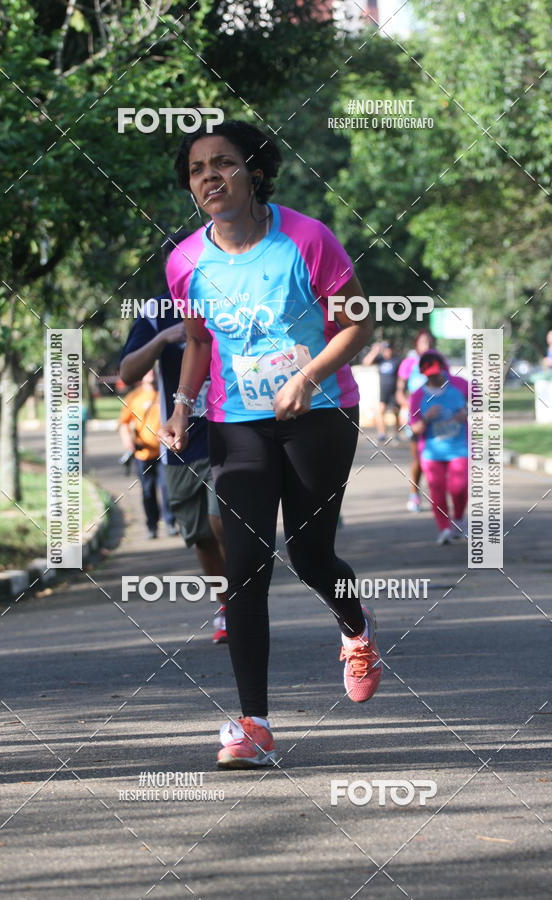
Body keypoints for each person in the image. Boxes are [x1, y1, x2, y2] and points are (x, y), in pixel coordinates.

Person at [159, 119, 382, 769]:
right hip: (238, 424)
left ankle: (356, 630)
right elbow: (199, 342)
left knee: (312, 555)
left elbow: (357, 324)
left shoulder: (305, 239)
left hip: (321, 413)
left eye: (222, 163)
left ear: (254, 171)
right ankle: (254, 722)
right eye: (197, 169)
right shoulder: (185, 262)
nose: (208, 177)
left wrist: (308, 377)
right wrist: (181, 408)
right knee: (245, 567)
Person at [120, 233, 228, 643]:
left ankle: (245, 603)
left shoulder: (227, 299)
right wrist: (165, 338)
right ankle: (228, 604)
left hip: (230, 433)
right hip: (179, 443)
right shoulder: (155, 312)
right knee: (199, 533)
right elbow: (127, 372)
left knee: (224, 523)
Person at [409, 351, 469, 545]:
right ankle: (444, 528)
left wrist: (465, 412)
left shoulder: (460, 385)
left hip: (459, 447)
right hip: (431, 451)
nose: (435, 377)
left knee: (458, 487)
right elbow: (415, 428)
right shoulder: (418, 395)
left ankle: (458, 518)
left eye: (437, 372)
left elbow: (482, 401)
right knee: (437, 490)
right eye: (430, 374)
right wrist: (427, 418)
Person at [118, 370, 177, 540]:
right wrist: (127, 440)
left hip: (164, 452)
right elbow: (123, 423)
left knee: (166, 488)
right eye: (147, 369)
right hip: (142, 454)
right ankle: (152, 526)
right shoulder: (134, 397)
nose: (150, 373)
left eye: (153, 369)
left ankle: (170, 522)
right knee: (147, 491)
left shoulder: (165, 393)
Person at [396, 329, 437, 512]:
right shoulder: (409, 363)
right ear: (417, 344)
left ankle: (439, 497)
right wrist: (407, 406)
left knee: (438, 459)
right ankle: (414, 494)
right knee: (419, 459)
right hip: (416, 417)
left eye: (429, 342)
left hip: (437, 415)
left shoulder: (438, 362)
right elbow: (399, 392)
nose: (426, 345)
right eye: (423, 342)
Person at [363, 340, 401, 441]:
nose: (387, 352)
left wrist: (400, 391)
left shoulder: (397, 360)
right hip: (383, 391)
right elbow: (366, 362)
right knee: (380, 411)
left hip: (394, 390)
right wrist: (375, 351)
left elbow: (402, 377)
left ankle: (396, 434)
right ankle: (382, 433)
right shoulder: (381, 360)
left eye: (388, 349)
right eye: (385, 350)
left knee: (396, 412)